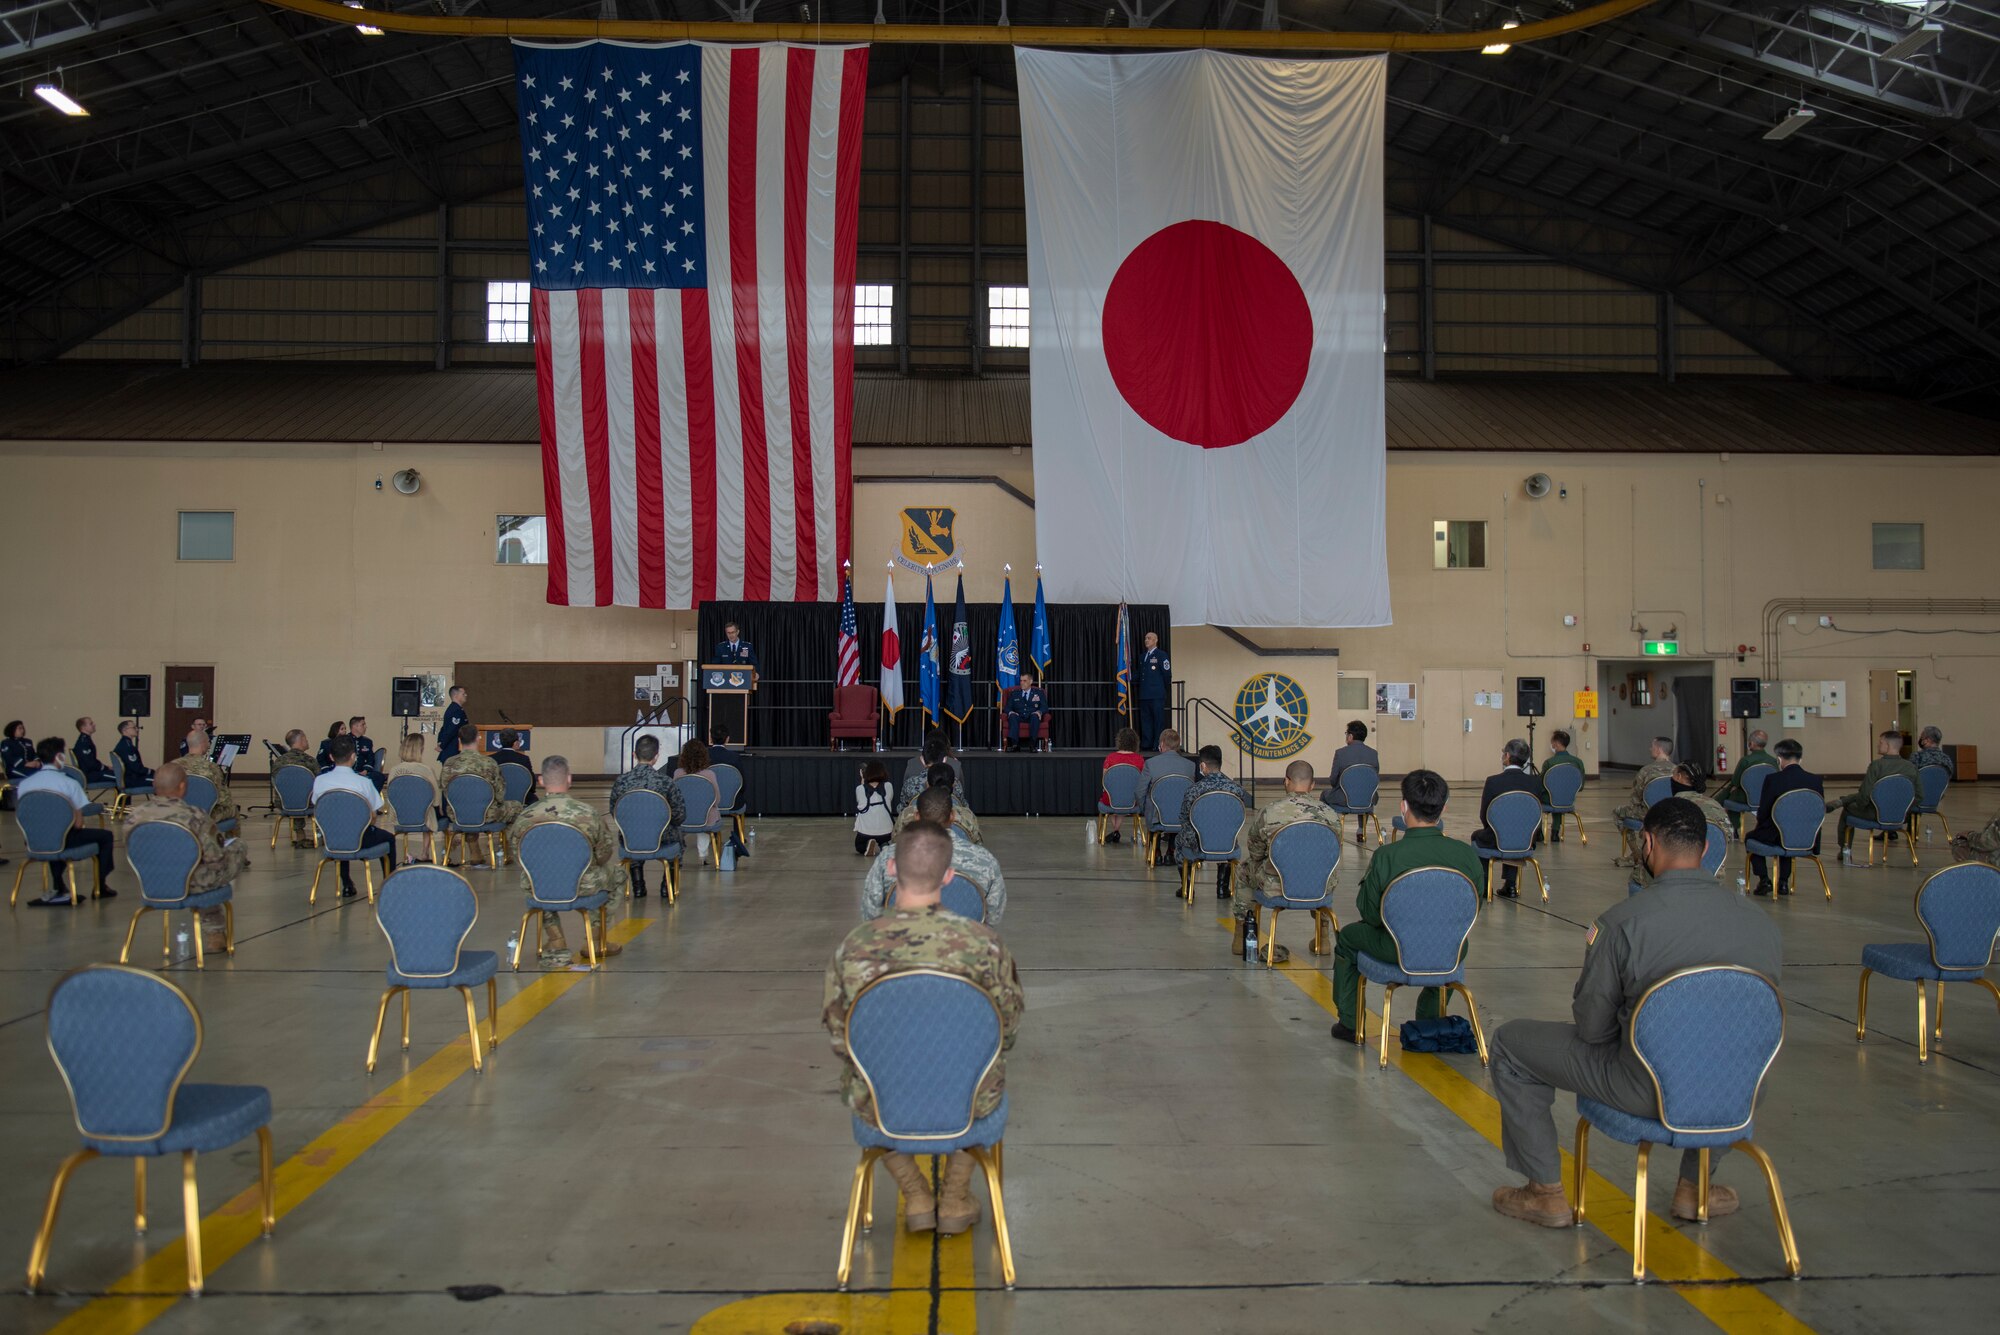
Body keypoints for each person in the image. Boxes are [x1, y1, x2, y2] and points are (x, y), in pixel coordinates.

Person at [1489, 798, 1783, 1230]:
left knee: (1511, 1045)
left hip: (1644, 1088)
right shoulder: (1761, 924)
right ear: (1705, 850)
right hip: (1737, 1091)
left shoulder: (1623, 922)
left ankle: (1545, 1192)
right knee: (1726, 1055)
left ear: (1646, 844)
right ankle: (1694, 1187)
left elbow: (1592, 1029)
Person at [824, 821, 1023, 1238]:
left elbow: (840, 1037)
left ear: (892, 868)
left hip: (884, 1104)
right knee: (987, 1085)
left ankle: (915, 1193)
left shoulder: (855, 947)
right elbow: (1007, 1030)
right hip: (968, 1102)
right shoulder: (984, 946)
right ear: (949, 876)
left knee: (862, 1089)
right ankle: (953, 1196)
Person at [1330, 769, 1484, 1042]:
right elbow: (1472, 910)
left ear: (1404, 807)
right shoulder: (1467, 856)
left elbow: (1370, 915)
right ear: (1443, 808)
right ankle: (1428, 1022)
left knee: (1348, 939)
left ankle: (1351, 1023)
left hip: (1395, 949)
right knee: (1451, 942)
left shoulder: (1387, 856)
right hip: (1450, 950)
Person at [510, 755, 623, 968]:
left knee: (538, 879)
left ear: (541, 781)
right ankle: (596, 940)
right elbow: (604, 853)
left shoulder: (525, 816)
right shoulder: (588, 814)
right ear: (569, 779)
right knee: (617, 875)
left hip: (539, 887)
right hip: (581, 885)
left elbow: (519, 856)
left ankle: (556, 940)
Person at [127, 761, 247, 953]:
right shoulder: (195, 816)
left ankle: (215, 932)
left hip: (151, 884)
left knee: (198, 868)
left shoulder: (135, 817)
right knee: (231, 852)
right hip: (191, 884)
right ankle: (215, 931)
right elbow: (215, 860)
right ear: (182, 786)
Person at [1234, 759, 1342, 963]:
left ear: (1286, 781)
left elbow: (1255, 850)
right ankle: (1323, 934)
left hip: (1278, 886)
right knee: (1323, 871)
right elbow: (1333, 854)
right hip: (1319, 887)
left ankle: (1242, 932)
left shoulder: (1270, 811)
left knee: (1244, 869)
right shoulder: (1331, 814)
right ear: (1312, 785)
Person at [863, 785, 1006, 923]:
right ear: (952, 816)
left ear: (916, 816)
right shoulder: (984, 860)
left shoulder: (888, 858)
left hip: (904, 943)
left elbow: (870, 912)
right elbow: (993, 916)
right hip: (964, 944)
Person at [19, 738, 118, 906]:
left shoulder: (24, 784)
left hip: (33, 840)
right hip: (63, 840)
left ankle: (58, 885)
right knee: (105, 836)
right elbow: (78, 824)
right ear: (59, 756)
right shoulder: (68, 783)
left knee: (51, 832)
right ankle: (100, 885)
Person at [311, 737, 395, 898]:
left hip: (331, 839)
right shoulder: (363, 782)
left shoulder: (320, 781)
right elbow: (374, 812)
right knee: (389, 839)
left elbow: (318, 805)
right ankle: (389, 884)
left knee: (340, 827)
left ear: (330, 757)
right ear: (353, 757)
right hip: (360, 838)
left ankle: (347, 883)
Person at [607, 735, 685, 897]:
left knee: (635, 834)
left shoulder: (621, 781)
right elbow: (679, 815)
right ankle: (667, 886)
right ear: (656, 756)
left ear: (634, 754)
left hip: (630, 839)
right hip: (662, 837)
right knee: (678, 837)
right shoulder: (666, 782)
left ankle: (638, 885)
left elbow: (615, 812)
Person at [1631, 764, 1728, 891]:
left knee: (1636, 876)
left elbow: (1646, 841)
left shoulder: (1667, 808)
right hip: (1713, 876)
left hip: (1667, 881)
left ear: (1679, 777)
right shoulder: (1718, 809)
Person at [1830, 730, 1920, 862]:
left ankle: (1845, 849)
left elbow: (1864, 795)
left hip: (1876, 814)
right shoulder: (1911, 767)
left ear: (1888, 746)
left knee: (1848, 809)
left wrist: (1860, 806)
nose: (1878, 745)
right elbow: (1919, 796)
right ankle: (1842, 800)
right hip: (1901, 816)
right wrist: (1902, 809)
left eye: (1880, 742)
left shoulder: (1877, 766)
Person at [1748, 738, 1821, 896]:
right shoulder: (1815, 780)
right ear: (1801, 759)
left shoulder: (1773, 779)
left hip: (1777, 834)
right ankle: (1783, 882)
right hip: (1806, 837)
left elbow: (1764, 813)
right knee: (1788, 837)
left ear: (1779, 759)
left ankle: (1764, 879)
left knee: (1751, 839)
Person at [1180, 745, 1251, 901]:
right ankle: (1222, 888)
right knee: (1225, 833)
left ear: (1203, 766)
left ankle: (1187, 886)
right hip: (1227, 844)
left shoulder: (1194, 790)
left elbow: (1184, 818)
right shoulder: (1236, 790)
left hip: (1199, 844)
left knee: (1181, 839)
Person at [1472, 738, 1541, 899]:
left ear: (1507, 756)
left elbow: (1485, 816)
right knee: (1515, 833)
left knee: (1477, 836)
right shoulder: (1535, 783)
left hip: (1496, 838)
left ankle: (1485, 886)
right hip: (1526, 841)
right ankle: (1511, 885)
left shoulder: (1493, 782)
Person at [441, 723, 523, 849]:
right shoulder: (488, 763)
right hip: (486, 814)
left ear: (459, 740)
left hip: (457, 814)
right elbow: (500, 794)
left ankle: (475, 851)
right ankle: (506, 849)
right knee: (517, 807)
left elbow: (446, 790)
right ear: (478, 738)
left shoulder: (449, 763)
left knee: (470, 807)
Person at [1613, 736, 1678, 867]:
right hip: (1672, 814)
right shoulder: (1678, 771)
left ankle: (1637, 854)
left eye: (1652, 746)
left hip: (1648, 813)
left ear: (1659, 749)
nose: (1650, 749)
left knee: (1617, 813)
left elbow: (1636, 798)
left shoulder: (1646, 771)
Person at [1136, 727, 1197, 862]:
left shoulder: (1150, 764)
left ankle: (1156, 852)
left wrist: (1144, 809)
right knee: (1177, 804)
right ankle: (1172, 849)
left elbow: (1140, 791)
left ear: (1162, 744)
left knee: (1152, 804)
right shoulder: (1190, 765)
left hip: (1157, 817)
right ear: (1178, 745)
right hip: (1181, 817)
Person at [1324, 721, 1382, 847]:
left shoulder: (1341, 753)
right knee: (1363, 792)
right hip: (1367, 800)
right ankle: (1361, 830)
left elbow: (1333, 781)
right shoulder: (1373, 753)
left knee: (1325, 794)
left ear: (1350, 736)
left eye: (1346, 734)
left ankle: (1328, 831)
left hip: (1344, 799)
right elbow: (1373, 779)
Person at [895, 763, 983, 843]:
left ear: (927, 784)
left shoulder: (906, 815)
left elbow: (895, 844)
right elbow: (977, 846)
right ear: (953, 785)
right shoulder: (968, 816)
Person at [1714, 729, 1777, 836]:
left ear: (1751, 743)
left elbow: (1735, 782)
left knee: (1731, 796)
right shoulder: (1773, 761)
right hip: (1765, 797)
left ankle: (1734, 828)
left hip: (1746, 797)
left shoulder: (1746, 760)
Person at [703, 722, 750, 859]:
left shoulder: (704, 756)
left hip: (710, 803)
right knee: (740, 799)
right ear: (727, 739)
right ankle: (738, 836)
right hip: (732, 802)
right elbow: (742, 783)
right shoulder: (734, 757)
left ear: (710, 739)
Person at [179, 728, 241, 829]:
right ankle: (228, 842)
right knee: (234, 809)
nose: (209, 745)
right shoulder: (212, 768)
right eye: (208, 742)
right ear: (203, 743)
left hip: (180, 813)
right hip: (205, 814)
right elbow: (224, 799)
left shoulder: (174, 766)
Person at [272, 730, 321, 848]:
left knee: (296, 795)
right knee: (316, 798)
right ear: (301, 740)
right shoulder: (310, 761)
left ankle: (300, 833)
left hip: (284, 803)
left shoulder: (279, 761)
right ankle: (320, 835)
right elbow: (320, 783)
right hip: (306, 802)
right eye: (306, 738)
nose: (308, 741)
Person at [1099, 726, 1145, 843]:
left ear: (1119, 741)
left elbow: (1105, 782)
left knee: (1113, 796)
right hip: (1131, 801)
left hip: (1112, 799)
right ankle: (1116, 830)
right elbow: (1141, 783)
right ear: (1135, 742)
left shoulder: (1110, 758)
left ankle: (1115, 831)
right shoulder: (1139, 759)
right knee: (1126, 795)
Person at [1539, 730, 1585, 843]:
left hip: (1551, 799)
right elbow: (1581, 785)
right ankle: (1555, 832)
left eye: (1552, 742)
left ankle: (1539, 834)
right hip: (1568, 799)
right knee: (1558, 796)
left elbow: (1541, 784)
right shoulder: (1578, 762)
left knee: (1542, 798)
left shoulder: (1549, 763)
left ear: (1556, 744)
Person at [899, 734, 967, 809]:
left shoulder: (910, 783)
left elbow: (902, 809)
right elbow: (964, 807)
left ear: (923, 760)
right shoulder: (955, 783)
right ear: (944, 759)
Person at [1135, 630, 1171, 751]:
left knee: (1158, 720)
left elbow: (1167, 675)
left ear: (1155, 640)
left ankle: (1157, 744)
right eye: (1145, 638)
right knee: (1146, 720)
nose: (1146, 640)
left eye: (1149, 638)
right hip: (1144, 694)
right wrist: (1126, 677)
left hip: (1156, 695)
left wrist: (1162, 689)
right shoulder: (1142, 657)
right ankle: (1147, 743)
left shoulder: (1161, 655)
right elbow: (1140, 674)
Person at [854, 759, 896, 856]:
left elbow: (860, 800)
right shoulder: (889, 786)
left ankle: (868, 844)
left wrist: (863, 779)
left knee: (859, 847)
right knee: (883, 838)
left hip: (866, 832)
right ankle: (884, 845)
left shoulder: (860, 789)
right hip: (886, 832)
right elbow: (889, 798)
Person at [1004, 669, 1047, 752]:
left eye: (1024, 681)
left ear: (1030, 681)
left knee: (1035, 716)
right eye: (1021, 681)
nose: (1022, 683)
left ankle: (1032, 745)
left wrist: (1039, 712)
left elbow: (1044, 707)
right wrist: (1010, 712)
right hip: (1019, 716)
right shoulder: (1014, 693)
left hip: (1032, 716)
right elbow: (1007, 707)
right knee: (1012, 716)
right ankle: (1015, 745)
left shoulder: (1039, 693)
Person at [489, 728, 537, 802]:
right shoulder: (524, 759)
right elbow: (531, 783)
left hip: (497, 799)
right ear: (515, 743)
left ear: (500, 742)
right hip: (520, 799)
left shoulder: (491, 758)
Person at [72, 717, 114, 785]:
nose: (94, 725)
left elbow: (91, 761)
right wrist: (106, 768)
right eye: (91, 724)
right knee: (121, 778)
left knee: (120, 775)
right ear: (83, 727)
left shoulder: (85, 739)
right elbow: (90, 763)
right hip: (89, 775)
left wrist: (106, 767)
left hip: (92, 773)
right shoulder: (84, 743)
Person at [113, 720, 151, 788]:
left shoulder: (125, 743)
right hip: (133, 780)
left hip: (131, 778)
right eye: (134, 727)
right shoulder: (127, 747)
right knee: (162, 781)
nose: (137, 729)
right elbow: (136, 768)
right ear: (125, 730)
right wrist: (151, 772)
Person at [437, 685, 469, 762]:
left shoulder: (455, 709)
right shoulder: (456, 711)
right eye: (463, 694)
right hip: (452, 751)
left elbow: (444, 728)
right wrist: (442, 745)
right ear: (456, 695)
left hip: (452, 750)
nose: (466, 695)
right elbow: (451, 730)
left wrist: (440, 741)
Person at [349, 716, 382, 783]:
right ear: (355, 726)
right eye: (363, 725)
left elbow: (371, 758)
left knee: (379, 777)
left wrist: (366, 770)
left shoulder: (367, 741)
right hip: (348, 772)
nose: (365, 727)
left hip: (363, 771)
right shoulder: (344, 740)